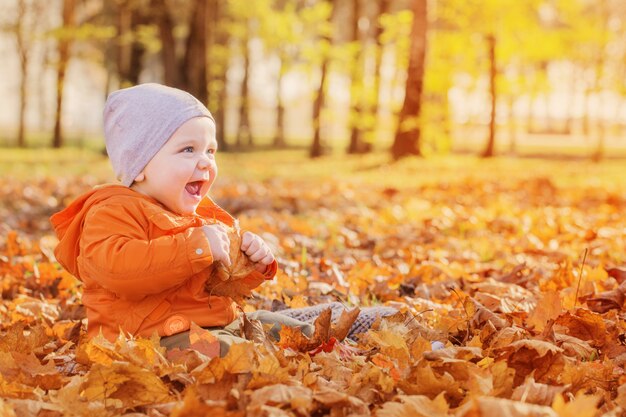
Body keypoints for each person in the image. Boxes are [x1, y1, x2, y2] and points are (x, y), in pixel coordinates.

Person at [50, 83, 401, 356]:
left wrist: (251, 263)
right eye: (188, 149)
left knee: (281, 329)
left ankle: (358, 330)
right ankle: (296, 353)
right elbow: (117, 270)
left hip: (217, 323)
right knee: (237, 354)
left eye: (210, 150)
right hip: (147, 341)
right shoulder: (112, 211)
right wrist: (195, 248)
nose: (204, 161)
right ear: (139, 165)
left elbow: (218, 284)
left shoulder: (198, 213)